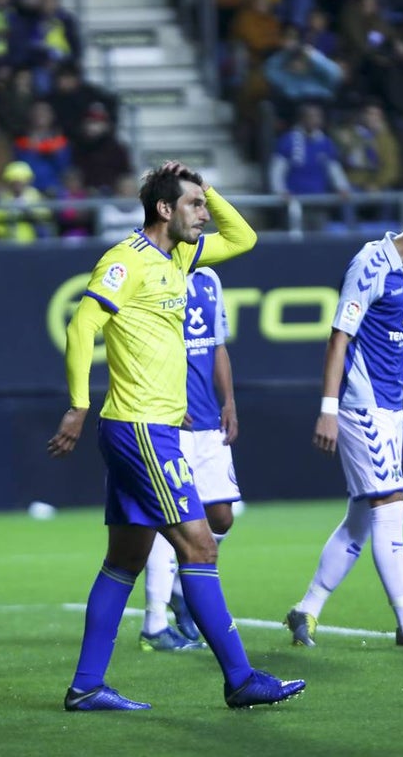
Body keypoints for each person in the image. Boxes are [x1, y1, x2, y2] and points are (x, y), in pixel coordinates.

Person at [47, 161, 304, 711]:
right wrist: (77, 405)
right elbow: (81, 325)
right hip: (140, 429)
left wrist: (205, 185)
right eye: (193, 205)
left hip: (150, 428)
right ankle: (240, 679)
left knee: (124, 561)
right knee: (201, 544)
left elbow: (245, 237)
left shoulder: (181, 256)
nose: (204, 215)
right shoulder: (125, 260)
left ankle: (87, 685)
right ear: (164, 209)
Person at [284, 199, 403, 649]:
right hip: (360, 405)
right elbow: (340, 336)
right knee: (390, 507)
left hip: (390, 407)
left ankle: (306, 610)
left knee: (361, 519)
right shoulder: (371, 264)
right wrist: (329, 409)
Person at [140, 266, 242, 652]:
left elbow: (217, 345)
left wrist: (229, 401)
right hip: (169, 422)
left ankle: (181, 590)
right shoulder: (150, 273)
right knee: (173, 518)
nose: (201, 219)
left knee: (221, 517)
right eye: (194, 206)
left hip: (207, 420)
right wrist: (159, 398)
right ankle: (154, 624)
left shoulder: (210, 279)